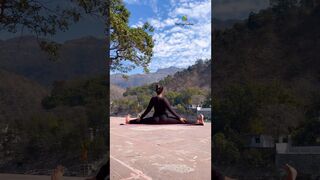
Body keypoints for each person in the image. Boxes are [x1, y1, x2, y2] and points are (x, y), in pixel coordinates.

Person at [125, 84, 204, 125]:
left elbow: (148, 110)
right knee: (181, 121)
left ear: (156, 91)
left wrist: (141, 117)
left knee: (142, 121)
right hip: (165, 119)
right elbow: (171, 110)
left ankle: (129, 121)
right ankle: (198, 121)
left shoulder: (153, 99)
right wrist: (179, 117)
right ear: (162, 91)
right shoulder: (164, 99)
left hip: (155, 120)